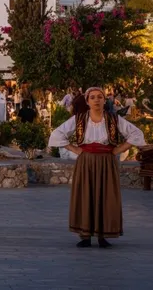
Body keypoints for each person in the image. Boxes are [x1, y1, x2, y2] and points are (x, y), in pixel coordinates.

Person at [48, 87, 145, 248]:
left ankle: (103, 234)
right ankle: (85, 235)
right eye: (92, 97)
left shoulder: (114, 119)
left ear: (104, 100)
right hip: (85, 161)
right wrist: (76, 149)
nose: (96, 100)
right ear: (87, 101)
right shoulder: (79, 119)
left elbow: (136, 134)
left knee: (106, 196)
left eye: (100, 97)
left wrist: (118, 149)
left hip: (107, 161)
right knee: (85, 195)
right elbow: (57, 134)